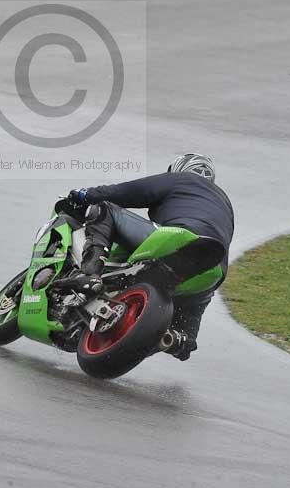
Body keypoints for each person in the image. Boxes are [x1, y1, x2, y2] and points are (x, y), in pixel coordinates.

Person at [67, 153, 234, 361]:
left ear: (177, 169)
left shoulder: (181, 180)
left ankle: (90, 272)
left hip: (177, 238)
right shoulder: (225, 203)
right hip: (212, 268)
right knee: (195, 304)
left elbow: (127, 192)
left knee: (104, 209)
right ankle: (180, 339)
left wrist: (87, 195)